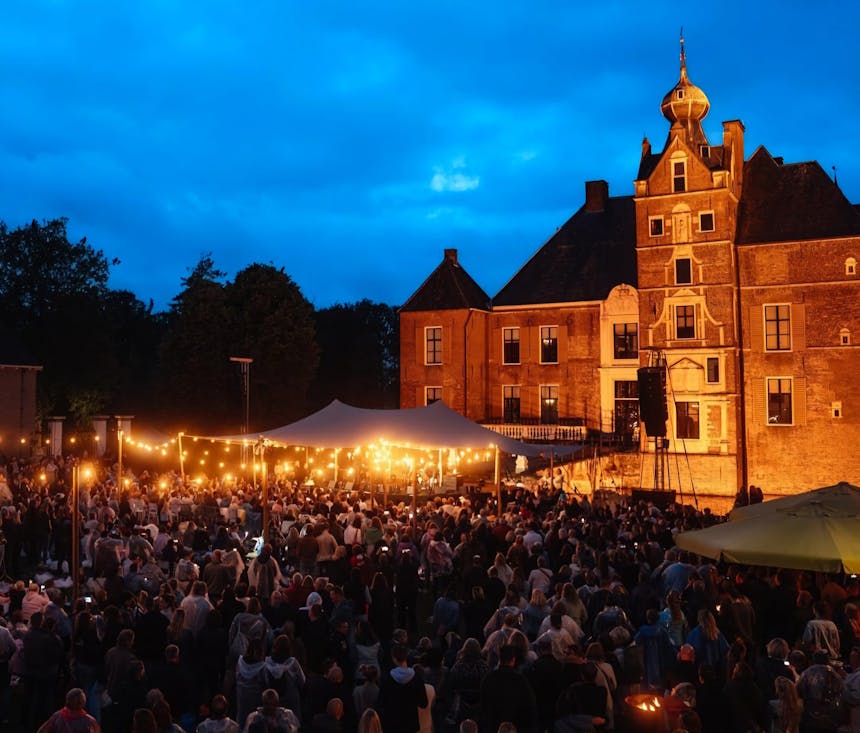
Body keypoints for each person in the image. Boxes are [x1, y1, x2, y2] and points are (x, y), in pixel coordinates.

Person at [480, 645, 537, 733]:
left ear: (500, 658)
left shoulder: (489, 678)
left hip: (492, 725)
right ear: (513, 659)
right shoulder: (520, 680)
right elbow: (530, 703)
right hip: (514, 726)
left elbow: (483, 703)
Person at [377, 643, 428, 733]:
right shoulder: (416, 678)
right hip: (410, 723)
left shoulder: (388, 678)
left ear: (394, 658)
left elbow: (381, 702)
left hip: (392, 723)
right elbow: (423, 703)